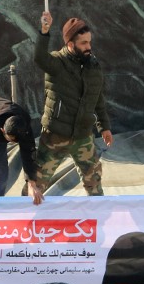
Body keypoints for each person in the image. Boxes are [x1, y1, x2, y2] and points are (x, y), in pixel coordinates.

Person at [34, 12, 112, 196]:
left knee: (94, 184)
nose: (89, 47)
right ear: (70, 44)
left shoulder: (93, 66)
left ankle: (97, 220)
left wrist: (104, 127)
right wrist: (44, 31)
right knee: (35, 186)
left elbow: (97, 97)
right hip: (55, 136)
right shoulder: (56, 63)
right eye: (83, 43)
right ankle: (25, 220)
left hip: (83, 136)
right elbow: (39, 57)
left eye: (89, 42)